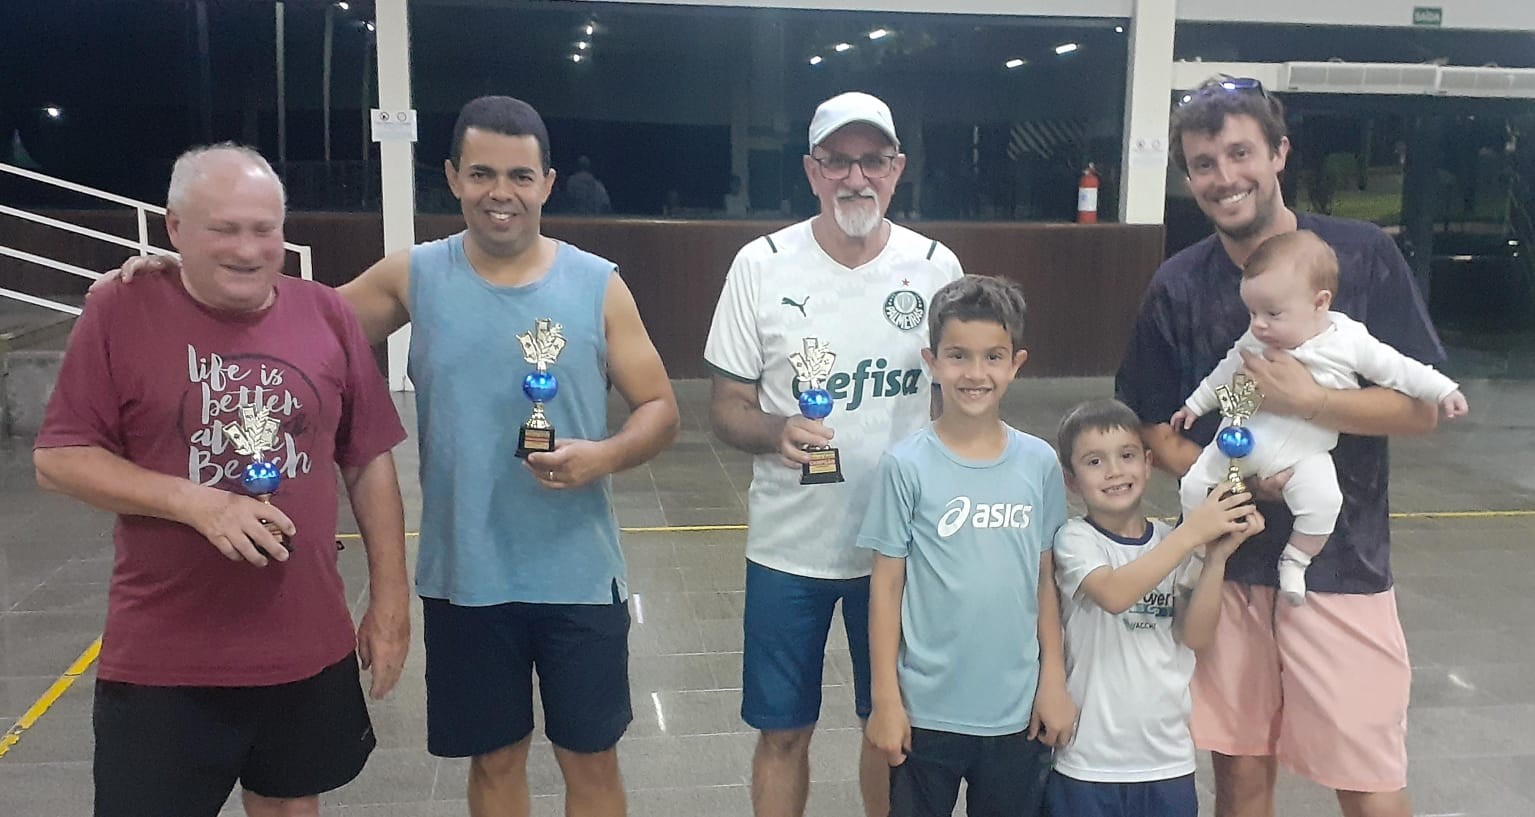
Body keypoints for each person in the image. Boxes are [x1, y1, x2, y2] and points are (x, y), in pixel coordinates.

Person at [105, 96, 680, 817]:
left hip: (579, 576)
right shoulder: (417, 274)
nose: (500, 192)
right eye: (481, 173)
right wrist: (179, 278)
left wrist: (605, 455)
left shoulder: (597, 283)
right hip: (465, 577)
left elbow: (660, 408)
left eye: (519, 176)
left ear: (547, 183)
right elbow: (283, 323)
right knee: (495, 758)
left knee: (591, 760)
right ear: (453, 177)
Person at [35, 144, 410, 817]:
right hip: (165, 658)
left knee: (291, 805)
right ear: (175, 228)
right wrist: (196, 503)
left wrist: (390, 601)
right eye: (224, 229)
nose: (248, 249)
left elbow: (367, 460)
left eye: (265, 229)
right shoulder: (120, 309)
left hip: (304, 643)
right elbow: (60, 458)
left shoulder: (327, 313)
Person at [1116, 75, 1446, 817]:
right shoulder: (1178, 285)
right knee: (1239, 779)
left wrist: (1312, 402)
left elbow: (1422, 411)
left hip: (1344, 565)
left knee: (1369, 782)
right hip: (1228, 570)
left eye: (1240, 153)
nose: (1224, 176)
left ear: (1278, 154)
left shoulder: (1359, 258)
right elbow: (1151, 426)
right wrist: (1236, 479)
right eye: (1203, 163)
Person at [703, 90, 963, 817]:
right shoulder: (761, 265)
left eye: (872, 160)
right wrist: (774, 431)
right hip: (789, 548)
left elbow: (956, 399)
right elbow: (725, 407)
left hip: (900, 549)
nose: (856, 177)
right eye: (838, 161)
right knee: (783, 731)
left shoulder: (936, 266)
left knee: (890, 730)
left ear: (897, 168)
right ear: (811, 171)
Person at [857, 275, 1077, 817]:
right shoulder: (905, 466)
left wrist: (1053, 681)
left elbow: (1045, 581)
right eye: (958, 356)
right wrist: (886, 700)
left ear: (1015, 364)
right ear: (932, 361)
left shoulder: (1039, 464)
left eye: (992, 357)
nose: (975, 374)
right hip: (925, 712)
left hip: (1015, 713)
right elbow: (886, 586)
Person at [1171, 230, 1467, 605]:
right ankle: (1197, 552)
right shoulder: (1256, 339)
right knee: (1194, 485)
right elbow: (1225, 371)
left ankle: (1296, 560)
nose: (1258, 324)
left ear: (1320, 303)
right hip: (1243, 442)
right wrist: (1196, 404)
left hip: (1304, 453)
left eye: (1272, 314)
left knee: (1324, 501)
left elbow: (1400, 370)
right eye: (1252, 313)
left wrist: (1443, 390)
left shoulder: (1349, 341)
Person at [1048, 399, 1265, 817]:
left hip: (1167, 760)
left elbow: (1195, 635)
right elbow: (1114, 594)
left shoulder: (1172, 541)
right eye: (1095, 462)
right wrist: (1191, 534)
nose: (1115, 471)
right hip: (1090, 761)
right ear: (1071, 480)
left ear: (1148, 464)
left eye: (1127, 456)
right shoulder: (1076, 540)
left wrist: (1215, 558)